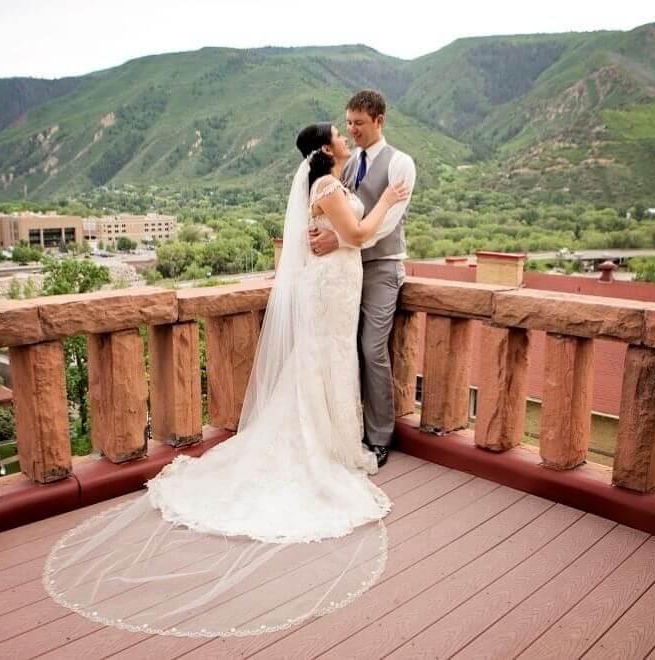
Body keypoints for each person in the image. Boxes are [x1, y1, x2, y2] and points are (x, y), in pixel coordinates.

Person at [43, 121, 410, 638]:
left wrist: (358, 221)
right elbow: (356, 234)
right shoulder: (328, 186)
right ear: (327, 150)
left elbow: (346, 234)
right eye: (340, 136)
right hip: (331, 292)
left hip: (338, 288)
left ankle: (330, 440)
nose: (347, 141)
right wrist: (389, 201)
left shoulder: (331, 184)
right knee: (324, 360)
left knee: (330, 361)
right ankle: (321, 445)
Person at [309, 90, 416, 469]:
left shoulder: (402, 164)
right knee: (341, 348)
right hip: (344, 272)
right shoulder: (347, 164)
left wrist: (339, 239)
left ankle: (380, 436)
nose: (352, 130)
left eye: (360, 123)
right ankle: (342, 430)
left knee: (372, 348)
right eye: (349, 123)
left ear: (380, 121)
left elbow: (386, 221)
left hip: (382, 266)